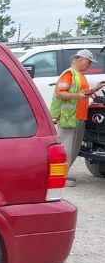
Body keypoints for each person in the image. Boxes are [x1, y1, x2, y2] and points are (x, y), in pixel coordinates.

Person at [50, 49, 105, 185]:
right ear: (80, 59)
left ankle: (63, 176)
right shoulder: (69, 74)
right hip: (69, 117)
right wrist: (77, 96)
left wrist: (94, 89)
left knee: (73, 149)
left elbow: (82, 93)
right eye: (88, 62)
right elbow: (59, 93)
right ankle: (58, 178)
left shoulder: (79, 75)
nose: (89, 66)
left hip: (79, 117)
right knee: (65, 149)